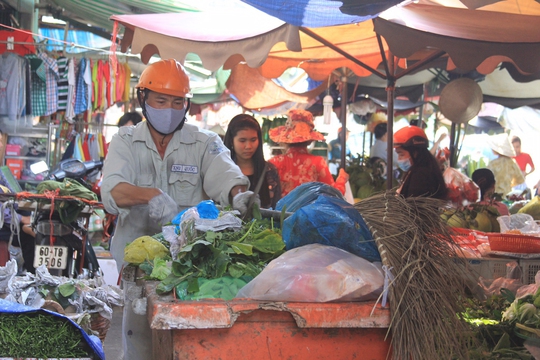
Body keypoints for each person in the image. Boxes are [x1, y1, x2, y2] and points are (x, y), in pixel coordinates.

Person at [101, 59, 252, 360]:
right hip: (139, 268)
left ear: (187, 104)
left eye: (177, 102)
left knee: (187, 341)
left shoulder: (204, 142)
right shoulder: (126, 141)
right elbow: (112, 189)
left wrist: (239, 195)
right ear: (143, 98)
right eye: (161, 100)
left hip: (189, 267)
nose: (169, 109)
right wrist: (151, 195)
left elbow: (226, 175)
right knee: (140, 342)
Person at [268, 109, 348, 197]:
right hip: (310, 211)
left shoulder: (274, 163)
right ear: (310, 141)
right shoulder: (318, 162)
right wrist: (342, 178)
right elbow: (334, 195)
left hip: (279, 210)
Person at [223, 114, 282, 209]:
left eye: (253, 140)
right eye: (242, 141)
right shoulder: (221, 170)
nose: (248, 146)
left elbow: (276, 207)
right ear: (231, 141)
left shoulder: (270, 171)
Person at [0, 129, 35, 272]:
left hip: (7, 221)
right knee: (29, 235)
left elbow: (14, 194)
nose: (0, 145)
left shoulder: (2, 171)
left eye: (1, 141)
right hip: (3, 225)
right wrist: (20, 219)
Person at [393, 125, 448, 199]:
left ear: (415, 153)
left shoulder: (420, 176)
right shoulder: (418, 171)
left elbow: (412, 206)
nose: (399, 159)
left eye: (401, 154)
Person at [486, 133, 525, 197]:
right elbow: (520, 179)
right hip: (508, 195)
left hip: (494, 196)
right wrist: (508, 184)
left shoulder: (493, 164)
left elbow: (486, 180)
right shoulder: (512, 162)